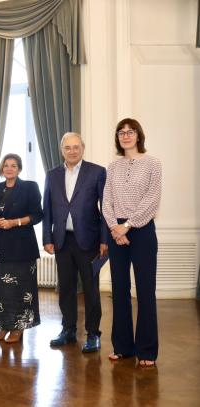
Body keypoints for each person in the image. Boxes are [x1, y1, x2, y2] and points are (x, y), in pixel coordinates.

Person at [102, 118, 162, 367]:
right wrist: (116, 228)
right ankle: (123, 347)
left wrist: (127, 225)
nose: (126, 136)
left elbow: (152, 199)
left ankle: (147, 351)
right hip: (117, 231)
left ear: (139, 136)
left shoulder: (153, 164)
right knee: (120, 291)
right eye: (121, 132)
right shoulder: (112, 167)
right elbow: (106, 200)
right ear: (117, 137)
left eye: (130, 132)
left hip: (142, 230)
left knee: (145, 291)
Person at [43, 133, 108, 353]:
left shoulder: (97, 172)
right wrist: (47, 238)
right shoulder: (52, 175)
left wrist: (104, 240)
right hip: (62, 240)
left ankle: (93, 333)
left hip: (88, 241)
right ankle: (68, 330)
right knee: (66, 288)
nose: (72, 151)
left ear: (83, 148)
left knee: (91, 290)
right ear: (62, 150)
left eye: (76, 147)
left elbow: (105, 209)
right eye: (67, 147)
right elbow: (47, 210)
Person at [0, 154, 43, 343]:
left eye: (14, 165)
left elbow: (37, 215)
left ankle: (18, 328)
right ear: (1, 168)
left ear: (19, 169)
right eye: (6, 165)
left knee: (20, 290)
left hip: (21, 248)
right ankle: (2, 326)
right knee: (0, 290)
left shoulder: (29, 187)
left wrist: (14, 222)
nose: (9, 168)